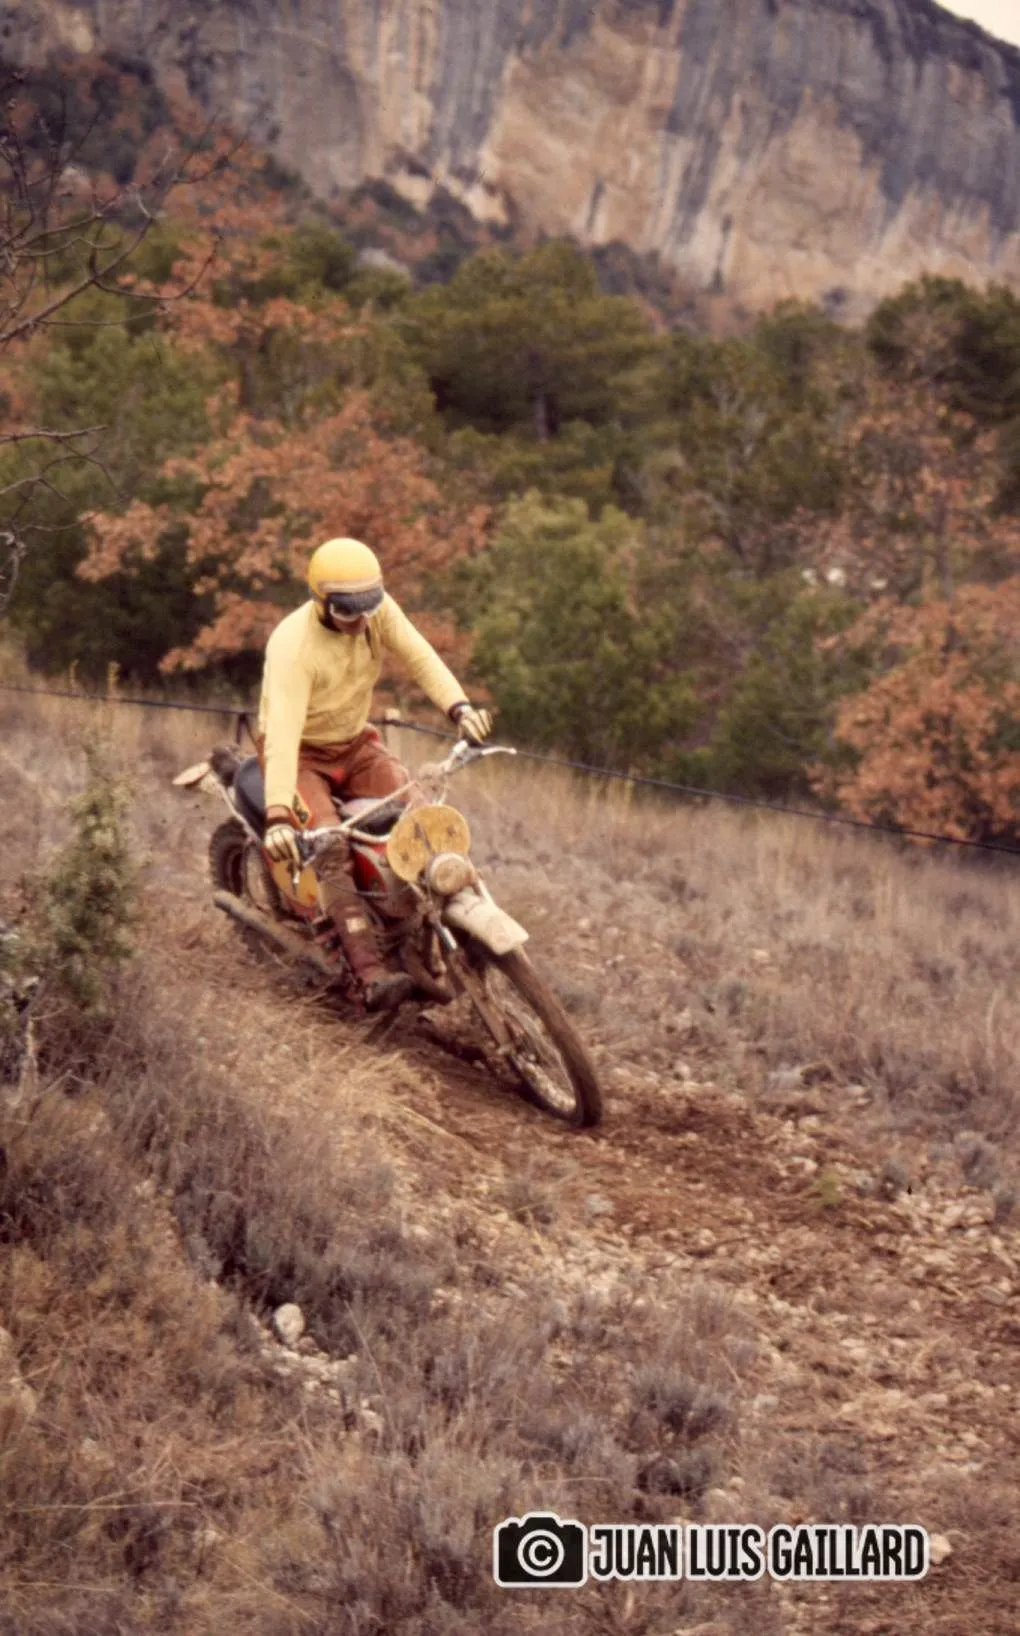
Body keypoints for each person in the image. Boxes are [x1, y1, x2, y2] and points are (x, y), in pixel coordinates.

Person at [258, 537, 492, 1011]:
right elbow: (282, 733)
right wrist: (278, 813)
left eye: (369, 608)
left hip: (355, 743)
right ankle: (369, 973)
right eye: (348, 613)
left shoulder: (374, 611)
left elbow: (420, 655)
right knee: (330, 845)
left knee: (426, 822)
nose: (362, 621)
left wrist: (459, 707)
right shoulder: (292, 647)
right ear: (320, 600)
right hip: (300, 755)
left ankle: (450, 935)